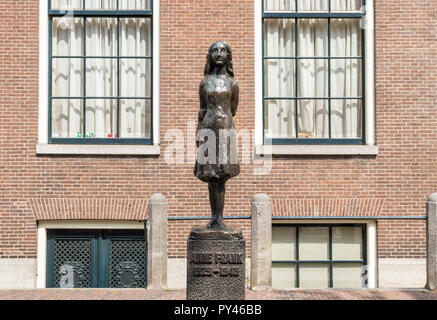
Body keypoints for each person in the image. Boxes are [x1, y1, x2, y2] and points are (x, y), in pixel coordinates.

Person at [194, 41, 240, 230]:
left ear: (228, 56)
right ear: (210, 56)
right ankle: (213, 216)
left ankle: (220, 218)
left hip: (225, 131)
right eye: (215, 50)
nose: (219, 54)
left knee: (221, 176)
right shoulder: (204, 83)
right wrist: (199, 132)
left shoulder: (232, 84)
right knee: (210, 175)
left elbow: (233, 109)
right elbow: (202, 110)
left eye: (223, 50)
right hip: (208, 130)